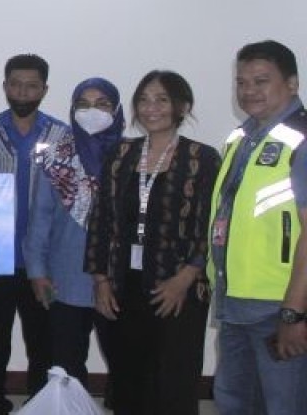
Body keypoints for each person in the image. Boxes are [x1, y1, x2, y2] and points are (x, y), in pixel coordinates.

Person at [85, 70, 218, 415]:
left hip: (177, 288)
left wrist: (185, 278)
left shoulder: (201, 158)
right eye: (143, 99)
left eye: (161, 99)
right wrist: (100, 280)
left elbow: (212, 225)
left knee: (172, 381)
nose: (150, 107)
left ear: (182, 106)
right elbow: (101, 220)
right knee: (128, 377)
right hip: (122, 286)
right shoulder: (121, 153)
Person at [209, 40, 307, 413]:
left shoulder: (301, 139)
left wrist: (293, 313)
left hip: (279, 306)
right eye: (242, 82)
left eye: (261, 81)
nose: (249, 91)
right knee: (234, 403)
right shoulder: (241, 137)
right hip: (236, 302)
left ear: (292, 83)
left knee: (285, 405)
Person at [0, 54, 62, 412]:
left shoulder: (63, 136)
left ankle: (40, 402)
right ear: (5, 86)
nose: (22, 91)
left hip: (44, 261)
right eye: (15, 84)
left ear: (44, 89)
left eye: (31, 85)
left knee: (43, 340)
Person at [24, 78, 124, 385]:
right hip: (64, 279)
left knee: (126, 363)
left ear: (117, 110)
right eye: (83, 105)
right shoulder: (56, 158)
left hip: (119, 280)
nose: (91, 111)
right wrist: (37, 272)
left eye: (102, 104)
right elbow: (39, 219)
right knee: (66, 367)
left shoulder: (130, 157)